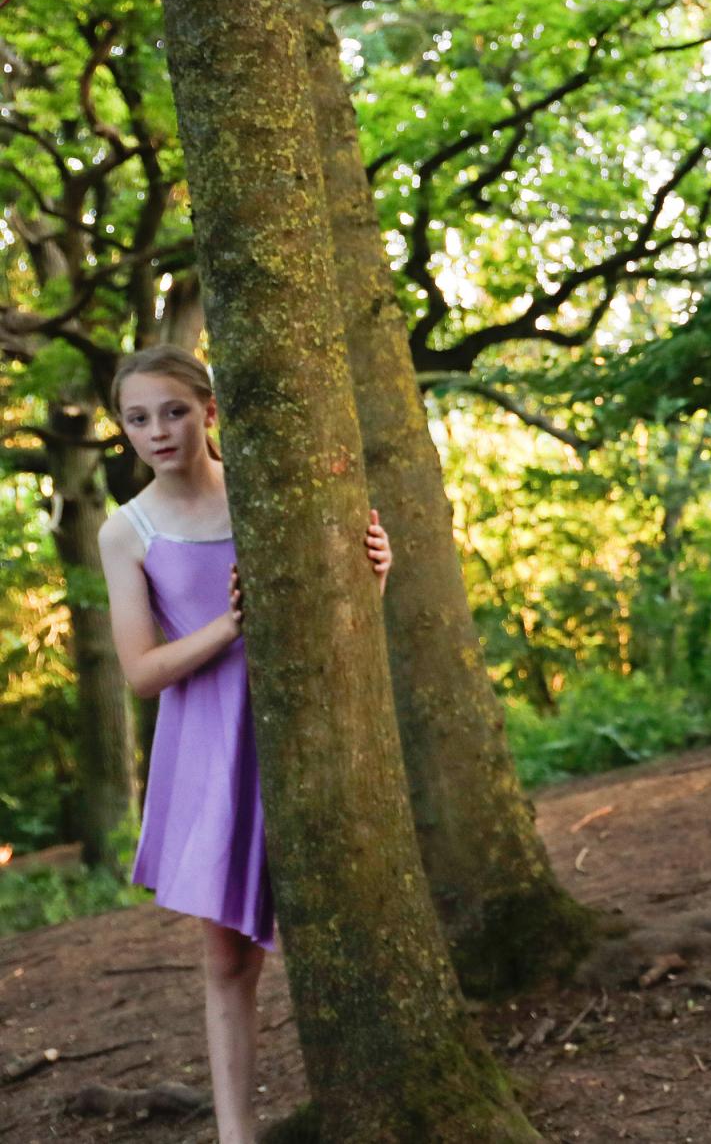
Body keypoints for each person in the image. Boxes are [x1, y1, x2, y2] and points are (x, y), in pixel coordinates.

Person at [98, 345, 392, 1144]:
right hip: (209, 753)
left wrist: (376, 574)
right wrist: (229, 624)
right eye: (138, 417)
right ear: (122, 428)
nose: (159, 430)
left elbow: (335, 617)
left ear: (210, 410)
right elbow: (141, 672)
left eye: (175, 410)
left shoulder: (270, 494)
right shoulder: (127, 530)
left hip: (308, 731)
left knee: (348, 928)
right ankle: (237, 1134)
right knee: (229, 961)